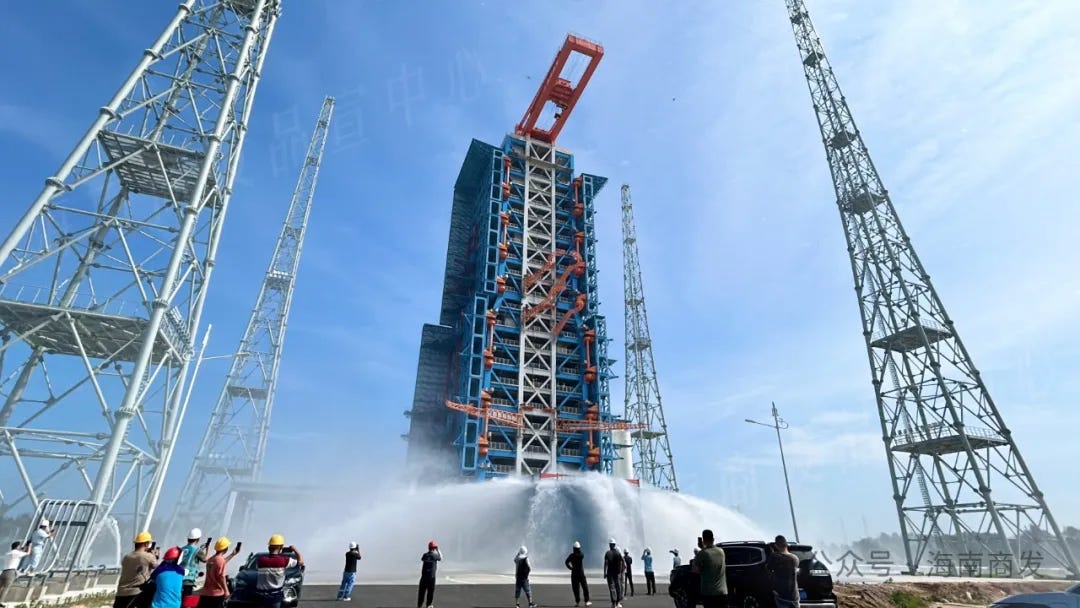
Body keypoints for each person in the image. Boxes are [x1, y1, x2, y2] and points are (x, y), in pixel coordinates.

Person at [254, 534, 303, 608]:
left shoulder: (261, 560)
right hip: (275, 597)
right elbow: (301, 562)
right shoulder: (284, 560)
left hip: (260, 597)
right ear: (281, 547)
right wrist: (295, 550)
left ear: (269, 547)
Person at [114, 532, 159, 608]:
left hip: (121, 593)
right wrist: (155, 556)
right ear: (146, 544)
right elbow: (157, 568)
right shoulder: (148, 556)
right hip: (137, 593)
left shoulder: (126, 557)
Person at [198, 537, 241, 608]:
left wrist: (232, 554)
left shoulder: (211, 559)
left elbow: (220, 564)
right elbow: (221, 577)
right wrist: (226, 591)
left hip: (206, 593)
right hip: (216, 594)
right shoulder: (220, 561)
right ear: (225, 548)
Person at [691, 529, 727, 608]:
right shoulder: (721, 552)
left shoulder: (702, 553)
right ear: (713, 539)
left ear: (703, 541)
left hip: (709, 593)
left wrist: (701, 551)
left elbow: (695, 570)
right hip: (722, 592)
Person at [767, 535, 800, 608]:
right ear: (786, 545)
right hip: (794, 597)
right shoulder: (795, 558)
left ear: (776, 545)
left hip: (782, 596)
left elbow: (767, 569)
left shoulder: (775, 556)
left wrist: (772, 551)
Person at [179, 529, 207, 598]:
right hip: (188, 580)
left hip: (178, 578)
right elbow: (205, 560)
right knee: (185, 601)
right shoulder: (197, 550)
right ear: (198, 539)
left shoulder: (182, 549)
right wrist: (208, 548)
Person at [1, 541, 30, 606]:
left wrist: (22, 549)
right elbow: (28, 553)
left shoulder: (8, 553)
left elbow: (18, 552)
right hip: (11, 572)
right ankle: (1, 601)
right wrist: (29, 546)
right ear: (17, 547)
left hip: (4, 571)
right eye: (19, 546)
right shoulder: (17, 553)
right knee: (6, 588)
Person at [564, 540, 591, 607]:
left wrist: (570, 568)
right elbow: (581, 553)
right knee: (585, 587)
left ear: (573, 548)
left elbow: (566, 562)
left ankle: (577, 602)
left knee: (576, 589)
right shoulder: (581, 555)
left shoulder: (572, 556)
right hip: (581, 574)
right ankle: (586, 601)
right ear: (579, 548)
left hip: (574, 574)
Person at [417, 540, 441, 608]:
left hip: (424, 577)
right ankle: (428, 605)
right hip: (431, 577)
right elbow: (441, 558)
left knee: (421, 592)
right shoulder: (435, 556)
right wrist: (438, 550)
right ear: (434, 548)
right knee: (430, 592)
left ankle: (419, 605)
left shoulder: (425, 555)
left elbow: (423, 559)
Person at [602, 538, 624, 608]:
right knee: (618, 587)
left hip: (610, 573)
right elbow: (621, 563)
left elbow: (606, 563)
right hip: (617, 573)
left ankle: (613, 603)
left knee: (612, 587)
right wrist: (620, 571)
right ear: (614, 545)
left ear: (609, 545)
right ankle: (618, 603)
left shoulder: (607, 553)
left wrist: (604, 573)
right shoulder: (618, 553)